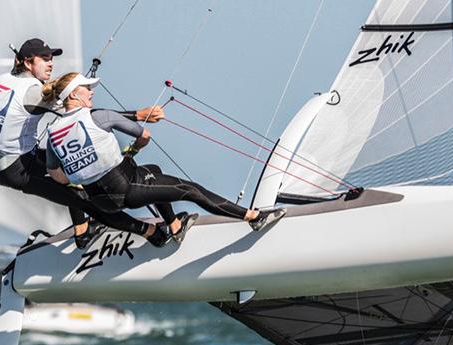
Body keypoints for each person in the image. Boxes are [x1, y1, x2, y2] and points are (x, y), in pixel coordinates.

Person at [42, 72, 286, 243]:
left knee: (153, 170)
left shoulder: (53, 134)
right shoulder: (100, 116)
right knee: (190, 190)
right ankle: (253, 217)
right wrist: (132, 151)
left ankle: (174, 226)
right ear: (74, 95)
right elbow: (144, 135)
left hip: (102, 202)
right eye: (87, 89)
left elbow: (58, 177)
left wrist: (89, 166)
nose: (92, 93)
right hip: (129, 188)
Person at [0, 38, 169, 248]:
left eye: (51, 58)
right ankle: (152, 233)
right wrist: (137, 115)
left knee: (71, 166)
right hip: (17, 170)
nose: (50, 63)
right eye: (44, 59)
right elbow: (83, 115)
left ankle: (82, 230)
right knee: (84, 199)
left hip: (14, 160)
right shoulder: (32, 94)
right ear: (27, 63)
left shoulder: (3, 79)